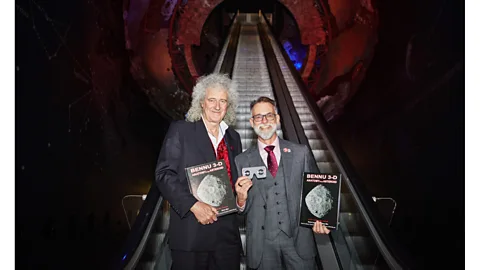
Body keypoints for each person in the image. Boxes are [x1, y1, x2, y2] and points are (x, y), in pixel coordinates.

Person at [155, 73, 242, 270]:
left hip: (227, 240)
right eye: (212, 100)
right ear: (201, 102)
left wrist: (240, 195)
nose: (217, 106)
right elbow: (164, 174)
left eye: (223, 101)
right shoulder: (181, 130)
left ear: (228, 105)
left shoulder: (234, 138)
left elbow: (231, 182)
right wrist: (193, 205)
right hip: (191, 235)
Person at [234, 96, 330, 270]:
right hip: (262, 246)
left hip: (298, 242)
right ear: (251, 122)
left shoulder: (300, 153)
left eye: (269, 116)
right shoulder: (241, 161)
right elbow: (241, 212)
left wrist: (321, 219)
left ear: (277, 119)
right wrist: (241, 200)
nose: (264, 121)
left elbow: (317, 189)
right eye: (258, 117)